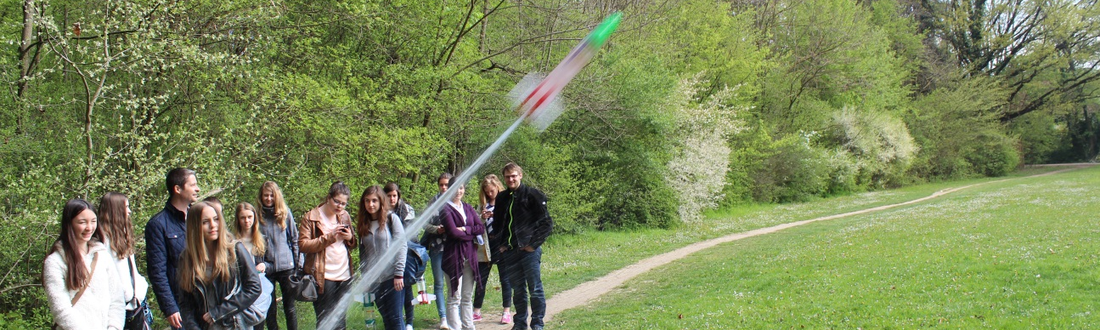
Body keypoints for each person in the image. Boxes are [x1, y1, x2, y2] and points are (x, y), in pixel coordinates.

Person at [177, 201, 263, 329]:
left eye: (216, 219)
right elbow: (185, 303)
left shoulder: (235, 249)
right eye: (205, 222)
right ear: (194, 226)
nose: (213, 225)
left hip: (235, 324)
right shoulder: (186, 258)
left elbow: (254, 287)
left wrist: (219, 312)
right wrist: (193, 327)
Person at [43, 199, 125, 330]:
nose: (89, 227)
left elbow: (117, 299)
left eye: (93, 221)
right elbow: (61, 310)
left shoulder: (102, 255)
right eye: (82, 222)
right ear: (69, 224)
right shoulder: (55, 262)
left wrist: (114, 327)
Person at [490, 163, 553, 330]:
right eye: (507, 176)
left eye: (514, 176)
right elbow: (497, 224)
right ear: (504, 178)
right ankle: (519, 323)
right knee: (518, 290)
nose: (511, 179)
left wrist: (533, 245)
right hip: (510, 252)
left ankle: (538, 323)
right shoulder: (502, 197)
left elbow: (546, 223)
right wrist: (502, 244)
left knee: (535, 288)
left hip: (528, 251)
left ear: (520, 175)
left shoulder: (533, 195)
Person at [146, 168, 200, 329]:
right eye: (193, 185)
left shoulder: (199, 218)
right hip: (181, 304)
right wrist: (169, 307)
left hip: (208, 300)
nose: (197, 189)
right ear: (177, 189)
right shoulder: (157, 225)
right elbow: (157, 272)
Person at [299, 182, 357, 330]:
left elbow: (352, 243)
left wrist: (350, 237)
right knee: (325, 319)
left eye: (343, 204)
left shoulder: (344, 216)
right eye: (337, 201)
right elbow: (303, 245)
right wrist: (329, 237)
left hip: (344, 274)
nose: (340, 206)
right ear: (328, 197)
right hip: (322, 277)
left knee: (340, 319)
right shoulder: (311, 217)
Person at [356, 185, 407, 330]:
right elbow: (363, 255)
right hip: (374, 281)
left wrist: (399, 273)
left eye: (374, 201)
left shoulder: (392, 219)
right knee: (385, 318)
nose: (370, 205)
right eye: (367, 201)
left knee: (395, 318)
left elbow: (401, 246)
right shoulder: (363, 224)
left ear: (380, 202)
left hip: (392, 277)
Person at [98, 192, 152, 329]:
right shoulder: (101, 242)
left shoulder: (121, 234)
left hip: (137, 305)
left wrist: (140, 287)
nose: (129, 211)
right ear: (115, 210)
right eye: (126, 207)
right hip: (120, 310)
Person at [440, 180, 484, 330]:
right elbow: (453, 233)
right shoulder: (445, 209)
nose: (458, 191)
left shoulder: (468, 207)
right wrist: (470, 232)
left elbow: (480, 228)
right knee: (454, 296)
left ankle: (469, 327)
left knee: (467, 296)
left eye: (461, 188)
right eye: (454, 188)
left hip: (469, 257)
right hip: (453, 257)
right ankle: (455, 327)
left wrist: (465, 229)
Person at [257, 181, 300, 330]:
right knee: (270, 308)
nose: (268, 198)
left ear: (276, 196)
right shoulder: (257, 216)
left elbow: (295, 239)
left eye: (271, 195)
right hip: (267, 267)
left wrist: (297, 265)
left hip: (286, 266)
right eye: (265, 195)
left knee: (290, 307)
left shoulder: (285, 213)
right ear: (261, 197)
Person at [472, 175, 511, 324]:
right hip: (486, 246)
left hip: (501, 245)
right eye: (487, 191)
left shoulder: (505, 203)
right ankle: (476, 311)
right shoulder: (481, 206)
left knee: (505, 279)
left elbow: (509, 224)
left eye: (492, 191)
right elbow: (475, 228)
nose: (490, 194)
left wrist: (497, 215)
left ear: (498, 188)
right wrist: (482, 218)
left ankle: (506, 311)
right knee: (481, 279)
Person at [384, 182, 418, 329]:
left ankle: (409, 321)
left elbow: (412, 234)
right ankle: (397, 320)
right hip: (386, 259)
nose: (392, 199)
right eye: (389, 196)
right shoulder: (381, 212)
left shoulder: (407, 210)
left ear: (398, 196)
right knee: (392, 292)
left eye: (394, 195)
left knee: (407, 288)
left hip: (405, 255)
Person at [421, 173, 451, 329]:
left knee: (453, 284)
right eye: (441, 185)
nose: (444, 187)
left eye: (447, 184)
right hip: (436, 247)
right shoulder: (433, 202)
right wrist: (436, 229)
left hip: (453, 248)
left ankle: (454, 315)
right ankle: (443, 318)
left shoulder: (456, 200)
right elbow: (424, 224)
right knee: (439, 283)